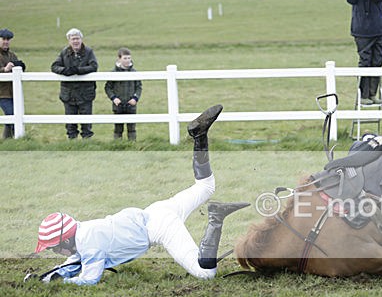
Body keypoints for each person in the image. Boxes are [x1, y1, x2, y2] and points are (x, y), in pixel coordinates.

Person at [33, 105, 249, 285]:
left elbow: (89, 279)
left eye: (54, 248)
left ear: (65, 241)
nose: (55, 253)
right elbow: (73, 261)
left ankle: (216, 218)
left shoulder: (89, 246)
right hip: (157, 210)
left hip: (160, 226)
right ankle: (199, 137)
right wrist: (49, 276)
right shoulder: (84, 231)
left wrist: (63, 281)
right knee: (205, 187)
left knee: (206, 274)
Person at [346, 0, 382, 106]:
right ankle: (363, 95)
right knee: (365, 62)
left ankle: (372, 94)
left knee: (377, 62)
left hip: (378, 28)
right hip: (361, 30)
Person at [51, 28, 98, 139]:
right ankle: (72, 143)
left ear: (81, 39)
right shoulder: (64, 52)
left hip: (85, 93)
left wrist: (78, 70)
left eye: (77, 38)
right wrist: (65, 71)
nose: (75, 41)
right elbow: (54, 66)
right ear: (69, 41)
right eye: (73, 39)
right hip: (68, 93)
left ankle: (87, 143)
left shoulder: (88, 52)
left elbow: (94, 66)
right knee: (70, 121)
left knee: (86, 121)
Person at [104, 47, 142, 141]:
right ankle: (118, 144)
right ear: (119, 58)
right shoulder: (114, 73)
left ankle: (132, 144)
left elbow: (139, 87)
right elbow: (108, 87)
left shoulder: (134, 72)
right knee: (118, 128)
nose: (127, 60)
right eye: (125, 58)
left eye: (129, 58)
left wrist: (135, 98)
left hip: (131, 104)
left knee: (132, 128)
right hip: (118, 104)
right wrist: (114, 98)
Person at [0, 28, 25, 139]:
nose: (6, 41)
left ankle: (8, 141)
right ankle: (12, 140)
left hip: (13, 92)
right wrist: (4, 70)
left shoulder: (12, 55)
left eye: (8, 39)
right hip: (2, 93)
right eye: (3, 39)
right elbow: (4, 70)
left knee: (13, 117)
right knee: (11, 115)